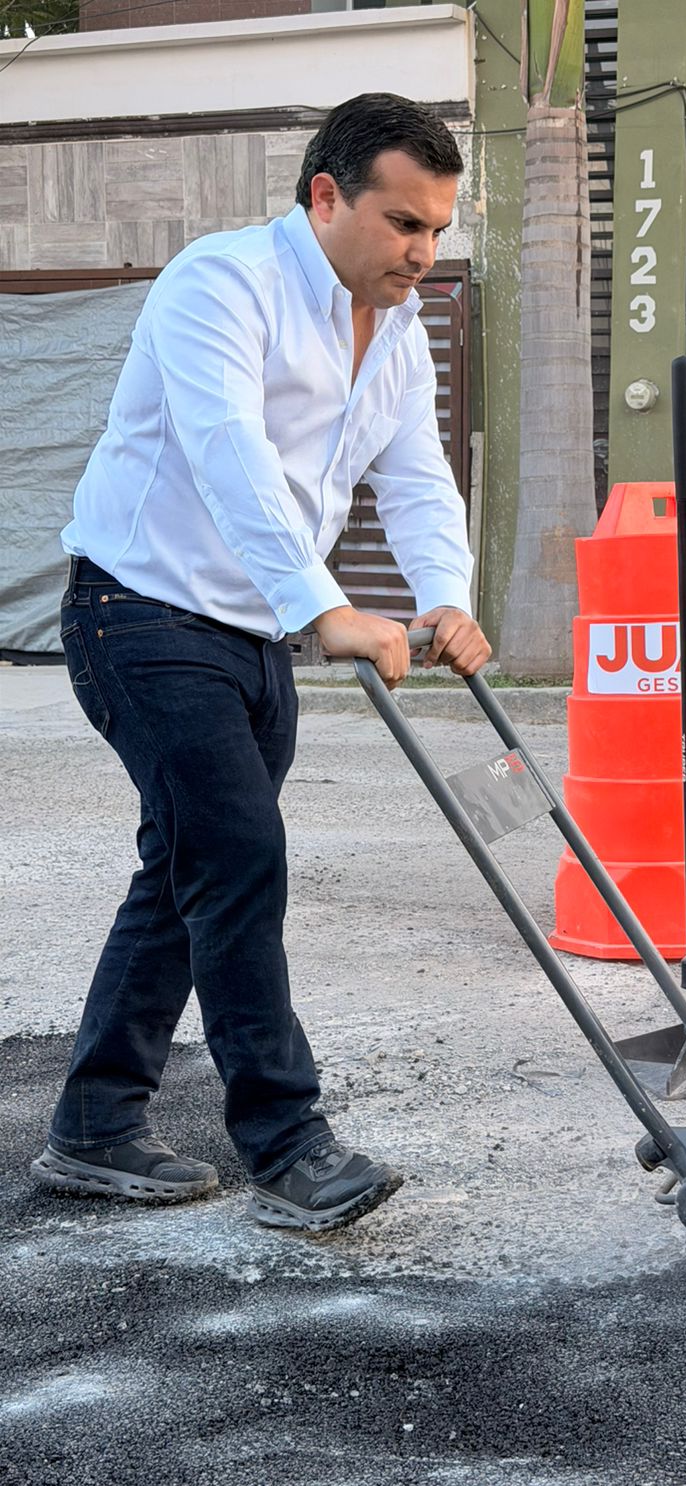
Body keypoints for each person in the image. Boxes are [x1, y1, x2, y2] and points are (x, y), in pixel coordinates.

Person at [30, 94, 489, 1232]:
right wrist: (325, 606)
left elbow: (418, 478)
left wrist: (448, 597)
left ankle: (94, 1126)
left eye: (437, 229)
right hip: (139, 615)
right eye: (402, 223)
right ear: (325, 197)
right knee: (238, 857)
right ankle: (288, 1144)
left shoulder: (397, 331)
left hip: (249, 637)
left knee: (189, 869)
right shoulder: (220, 283)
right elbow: (227, 449)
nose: (423, 253)